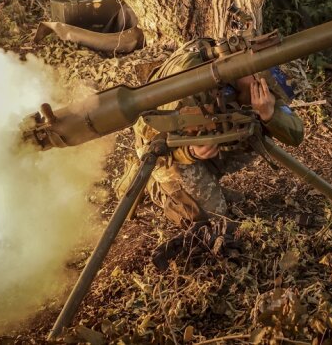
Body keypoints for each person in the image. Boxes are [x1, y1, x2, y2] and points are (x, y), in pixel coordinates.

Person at [122, 38, 304, 229]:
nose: (264, 97)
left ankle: (204, 181)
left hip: (198, 140)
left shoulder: (254, 80)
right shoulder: (193, 82)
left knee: (256, 127)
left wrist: (268, 114)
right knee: (213, 220)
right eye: (263, 90)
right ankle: (155, 187)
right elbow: (151, 142)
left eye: (271, 94)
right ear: (251, 73)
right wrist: (189, 152)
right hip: (164, 151)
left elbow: (296, 134)